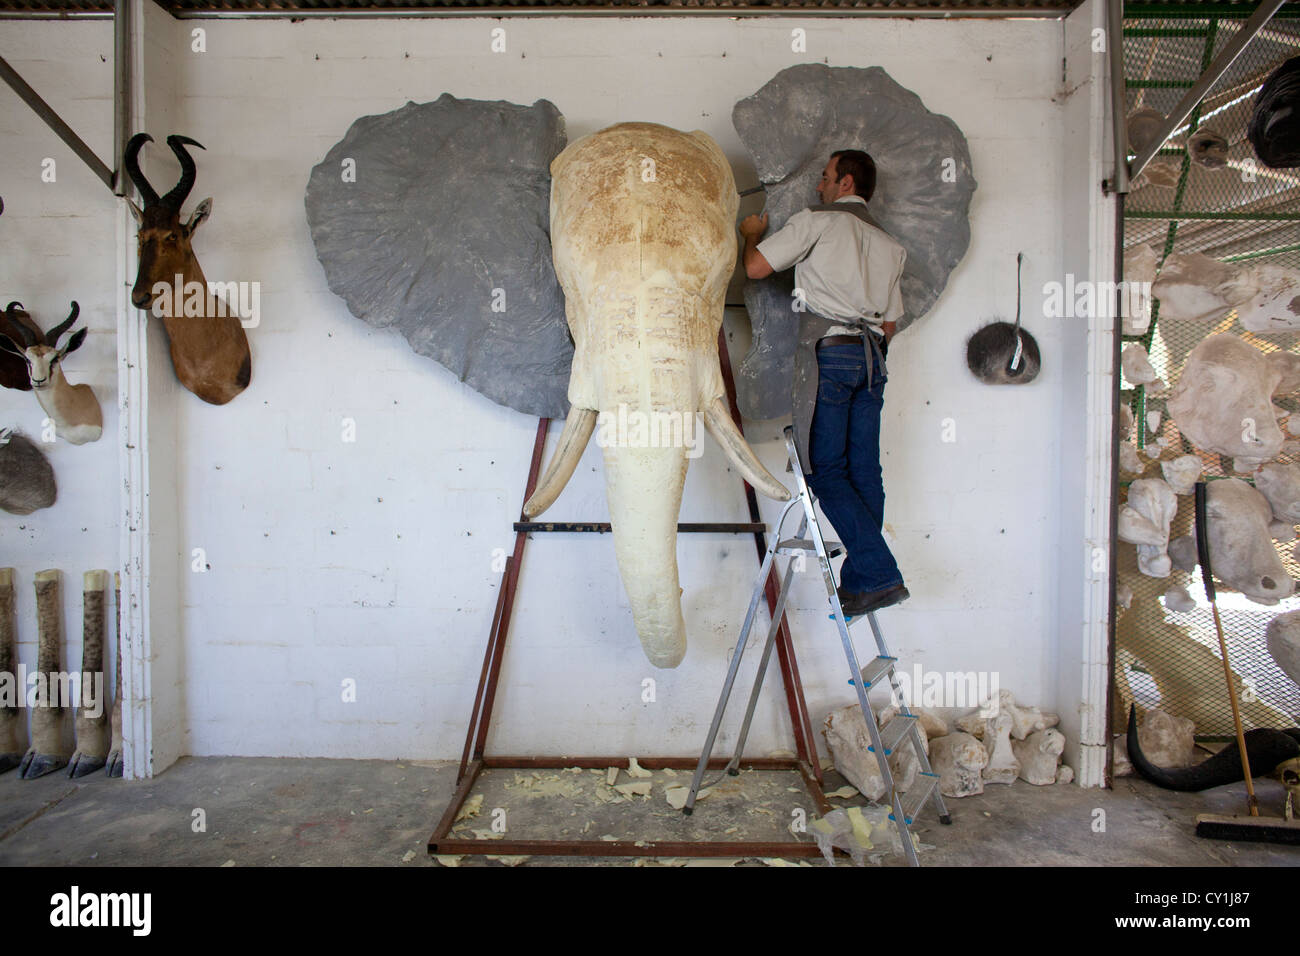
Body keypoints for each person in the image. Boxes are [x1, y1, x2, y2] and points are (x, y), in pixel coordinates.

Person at [738, 149, 909, 617]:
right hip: (873, 362)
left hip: (828, 356)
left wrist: (750, 235)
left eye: (826, 177)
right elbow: (890, 325)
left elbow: (755, 269)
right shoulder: (890, 246)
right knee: (864, 472)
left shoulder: (819, 221)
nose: (819, 185)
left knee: (824, 471)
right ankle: (864, 580)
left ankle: (879, 574)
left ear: (846, 183)